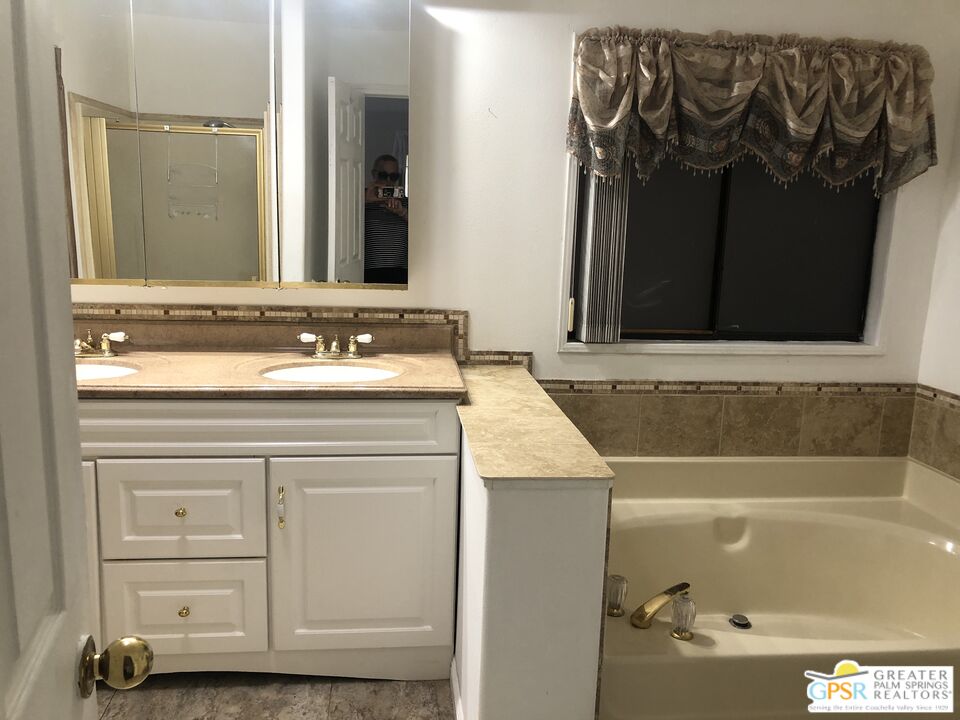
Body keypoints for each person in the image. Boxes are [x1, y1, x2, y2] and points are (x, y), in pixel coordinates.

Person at [364, 154, 408, 284]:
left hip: (400, 271)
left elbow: (423, 228)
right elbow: (341, 216)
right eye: (383, 175)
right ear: (374, 174)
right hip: (369, 270)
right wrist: (366, 200)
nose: (388, 181)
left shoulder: (405, 202)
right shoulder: (361, 198)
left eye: (394, 177)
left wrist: (402, 212)